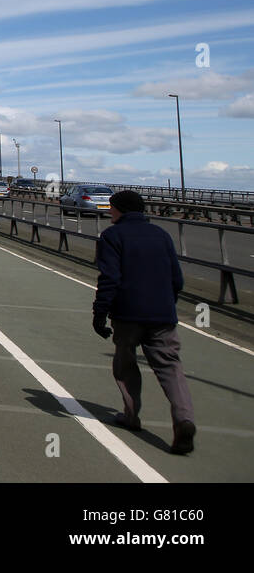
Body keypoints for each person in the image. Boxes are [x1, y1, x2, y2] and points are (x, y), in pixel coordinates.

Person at [92, 189, 196, 454]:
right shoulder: (161, 235)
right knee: (170, 368)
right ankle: (184, 418)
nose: (109, 212)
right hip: (162, 314)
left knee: (125, 365)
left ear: (120, 210)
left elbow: (109, 279)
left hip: (128, 314)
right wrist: (166, 304)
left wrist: (100, 313)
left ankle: (131, 414)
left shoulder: (112, 236)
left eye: (111, 207)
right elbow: (177, 279)